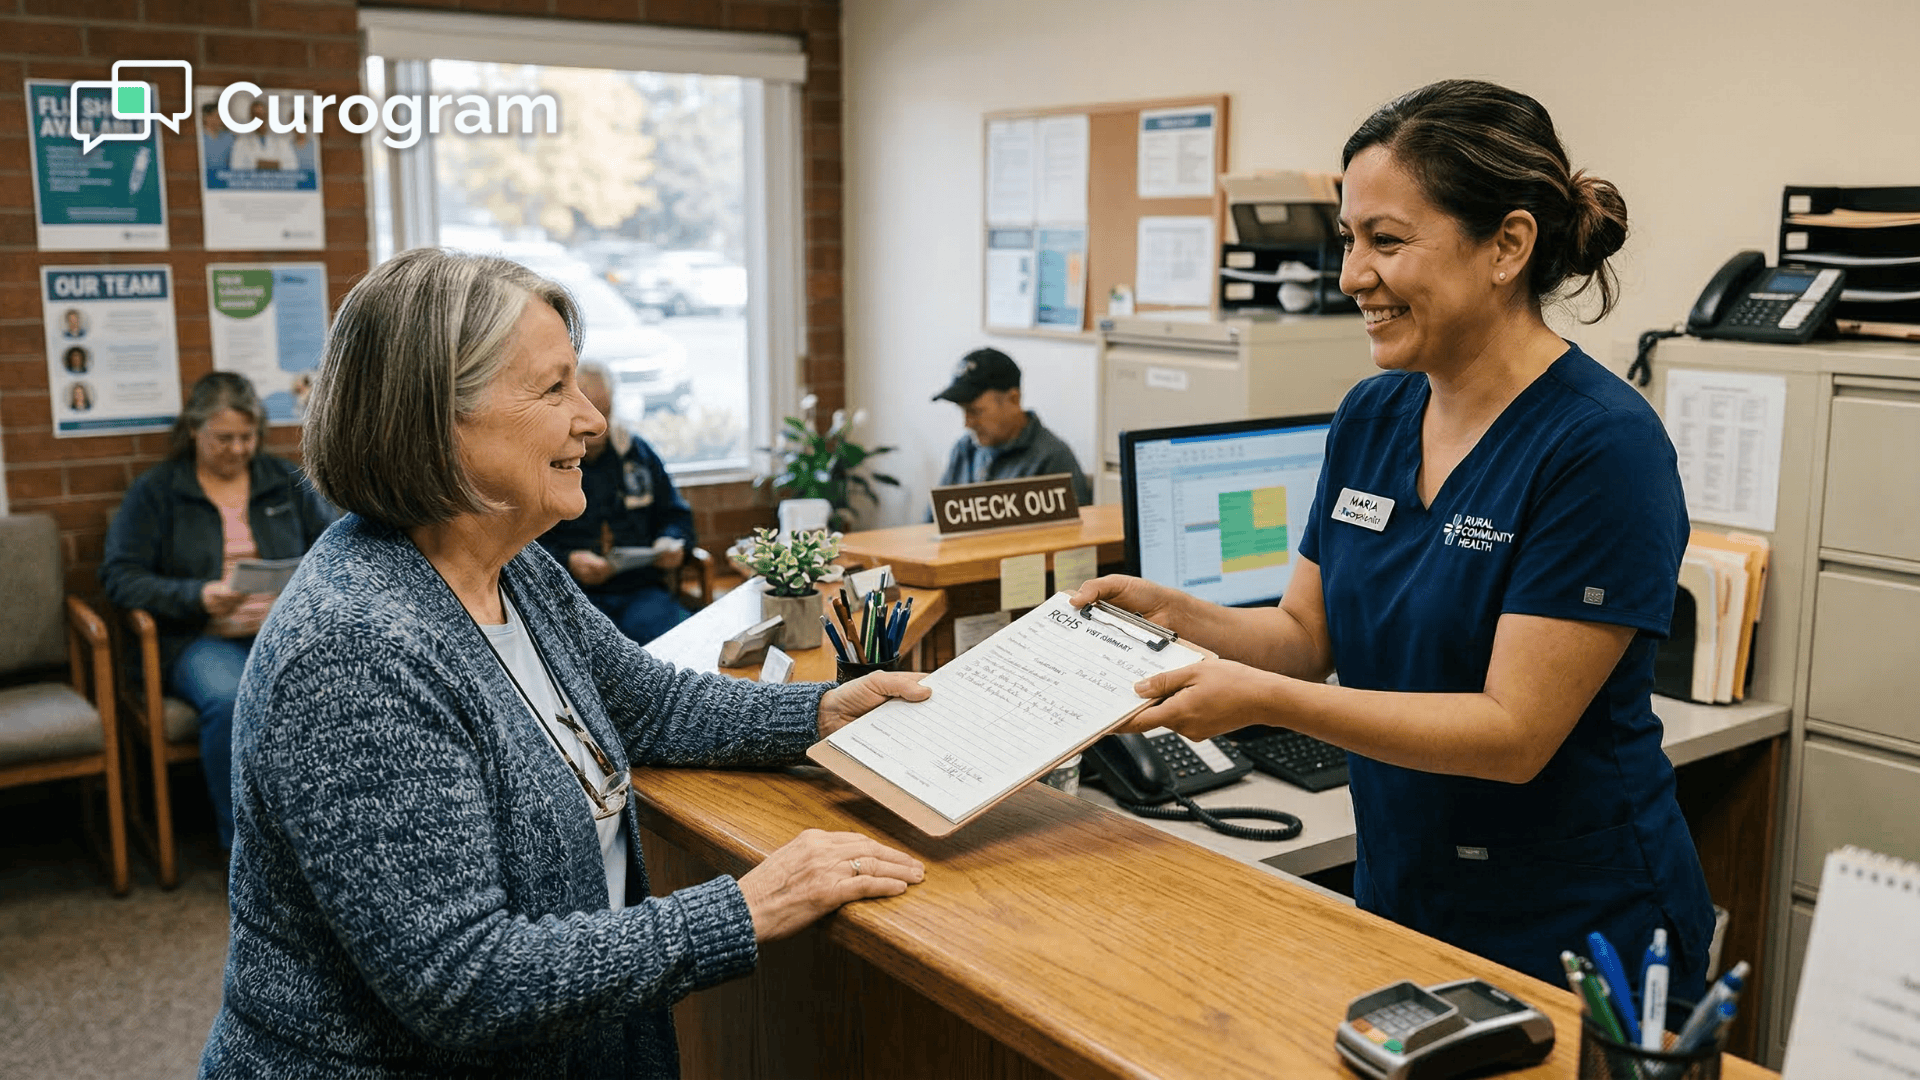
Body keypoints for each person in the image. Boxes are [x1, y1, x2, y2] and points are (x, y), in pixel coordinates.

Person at [200, 248, 931, 1077]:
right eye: (553, 390)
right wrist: (745, 906)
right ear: (436, 419)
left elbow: (645, 704)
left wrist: (821, 713)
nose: (590, 419)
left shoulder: (509, 564)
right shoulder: (355, 650)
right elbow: (463, 981)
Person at [1072, 79, 1715, 1001]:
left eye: (1386, 240)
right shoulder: (1373, 415)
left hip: (1573, 928)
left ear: (1507, 246)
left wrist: (1262, 702)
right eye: (1348, 239)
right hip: (1408, 892)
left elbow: (1513, 733)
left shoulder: (1601, 445)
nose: (1350, 277)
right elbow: (1304, 637)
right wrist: (1171, 610)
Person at [101, 372, 335, 852]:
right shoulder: (157, 492)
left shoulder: (282, 481)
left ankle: (324, 841)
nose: (237, 449)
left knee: (339, 687)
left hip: (281, 632)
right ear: (194, 431)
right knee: (230, 701)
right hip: (199, 639)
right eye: (223, 438)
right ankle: (245, 852)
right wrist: (198, 595)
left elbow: (333, 550)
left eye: (247, 437)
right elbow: (120, 577)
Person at [538, 361, 693, 645]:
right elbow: (526, 542)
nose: (598, 423)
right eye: (590, 409)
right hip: (575, 595)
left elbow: (676, 515)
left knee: (679, 644)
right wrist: (567, 559)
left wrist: (671, 541)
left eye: (605, 411)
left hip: (641, 591)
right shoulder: (547, 461)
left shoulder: (637, 453)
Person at [931, 347, 1091, 506]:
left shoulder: (1051, 459)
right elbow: (930, 524)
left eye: (976, 411)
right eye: (963, 411)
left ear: (1014, 399)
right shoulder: (964, 450)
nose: (967, 424)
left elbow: (1073, 531)